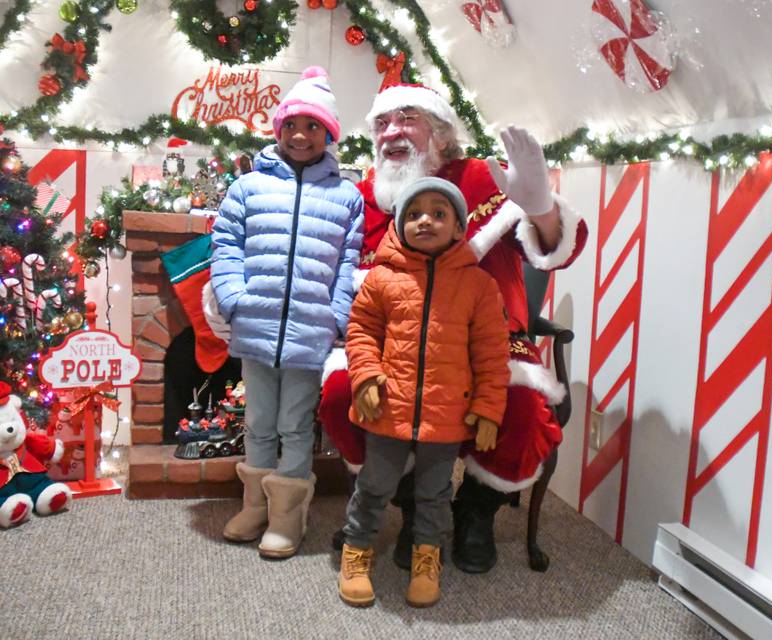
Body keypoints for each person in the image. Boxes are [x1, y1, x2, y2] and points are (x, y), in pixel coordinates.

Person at [317, 84, 589, 574]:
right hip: (394, 346)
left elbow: (555, 249)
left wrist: (541, 206)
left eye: (407, 118)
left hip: (490, 344)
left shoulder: (484, 179)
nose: (392, 132)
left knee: (524, 411)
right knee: (341, 393)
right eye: (382, 124)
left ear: (440, 133)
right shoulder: (365, 197)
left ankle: (475, 511)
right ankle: (412, 503)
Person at [210, 66, 364, 559]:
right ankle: (255, 505)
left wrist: (337, 315)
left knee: (296, 424)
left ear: (329, 134)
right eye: (292, 125)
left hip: (310, 331)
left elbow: (348, 262)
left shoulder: (346, 196)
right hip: (254, 323)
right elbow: (226, 245)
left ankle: (287, 518)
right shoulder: (248, 187)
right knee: (258, 420)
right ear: (278, 130)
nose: (301, 135)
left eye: (313, 126)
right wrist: (232, 298)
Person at [337, 177, 509, 608]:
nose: (425, 221)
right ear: (399, 225)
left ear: (458, 228)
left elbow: (492, 352)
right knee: (374, 486)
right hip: (387, 408)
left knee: (434, 494)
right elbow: (360, 332)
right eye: (413, 214)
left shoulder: (478, 286)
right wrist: (365, 376)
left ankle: (427, 558)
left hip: (447, 413)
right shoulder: (381, 279)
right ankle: (356, 551)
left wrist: (489, 408)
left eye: (438, 213)